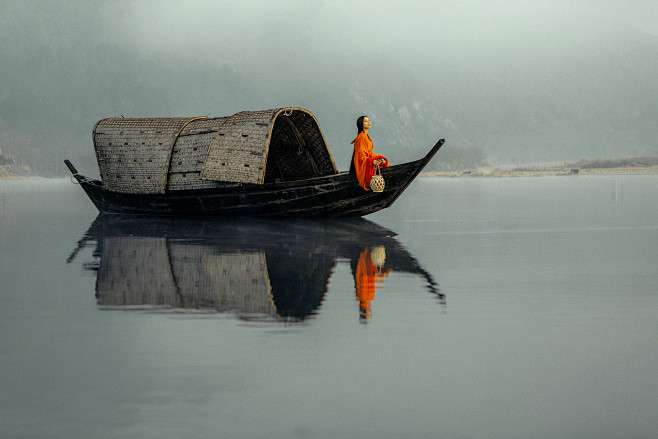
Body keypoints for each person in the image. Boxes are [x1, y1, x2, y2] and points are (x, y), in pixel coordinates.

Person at [349, 116, 390, 191]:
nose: (368, 122)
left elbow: (371, 153)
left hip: (368, 161)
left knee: (382, 160)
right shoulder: (361, 137)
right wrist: (371, 161)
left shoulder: (367, 137)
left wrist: (379, 159)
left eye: (369, 120)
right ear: (361, 124)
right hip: (363, 164)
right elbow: (361, 156)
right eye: (365, 121)